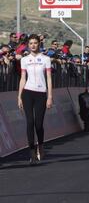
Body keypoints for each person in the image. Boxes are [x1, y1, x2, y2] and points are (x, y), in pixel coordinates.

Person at [17, 34, 53, 164]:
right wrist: (19, 96)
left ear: (39, 44)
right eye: (30, 43)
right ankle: (31, 152)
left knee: (38, 124)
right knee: (30, 122)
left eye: (35, 43)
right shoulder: (24, 60)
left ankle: (41, 146)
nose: (33, 45)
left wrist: (49, 96)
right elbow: (22, 78)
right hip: (27, 92)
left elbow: (49, 78)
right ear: (28, 45)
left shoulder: (46, 59)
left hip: (41, 93)